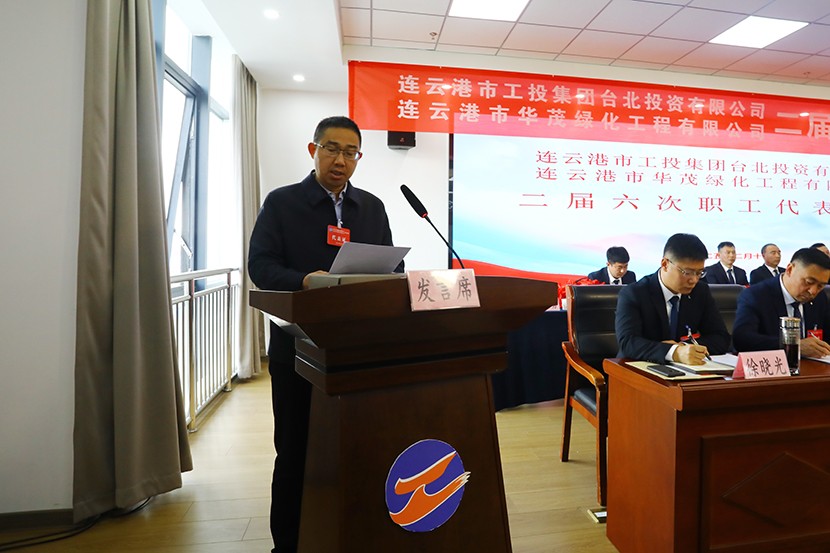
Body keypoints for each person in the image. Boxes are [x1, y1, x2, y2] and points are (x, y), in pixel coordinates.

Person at [248, 116, 401, 553]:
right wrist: (305, 281)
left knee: (357, 449)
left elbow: (394, 267)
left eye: (351, 152)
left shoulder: (371, 208)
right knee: (295, 451)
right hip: (298, 347)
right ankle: (288, 544)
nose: (341, 160)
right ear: (313, 150)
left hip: (356, 350)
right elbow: (261, 266)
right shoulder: (282, 203)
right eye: (332, 149)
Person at [615, 233, 731, 364]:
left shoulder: (700, 291)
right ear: (665, 264)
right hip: (638, 366)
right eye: (687, 272)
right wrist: (673, 352)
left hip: (686, 369)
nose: (694, 280)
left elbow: (721, 338)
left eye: (699, 273)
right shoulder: (634, 293)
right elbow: (628, 343)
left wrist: (685, 348)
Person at [732, 247, 830, 357]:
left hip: (813, 365)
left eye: (820, 286)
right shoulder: (756, 295)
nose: (813, 291)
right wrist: (793, 346)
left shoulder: (820, 298)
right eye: (809, 282)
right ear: (790, 270)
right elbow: (742, 340)